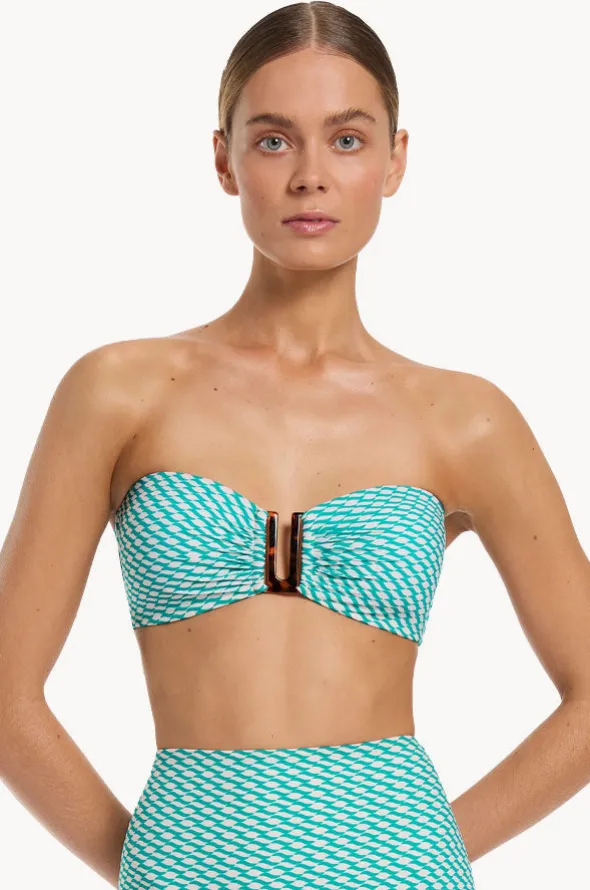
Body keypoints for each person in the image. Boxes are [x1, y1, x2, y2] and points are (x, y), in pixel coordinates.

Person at [2, 2, 590, 888]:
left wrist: (423, 846)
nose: (311, 176)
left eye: (347, 140)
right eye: (274, 140)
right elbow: (5, 695)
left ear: (395, 161)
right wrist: (152, 864)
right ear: (224, 159)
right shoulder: (117, 391)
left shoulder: (466, 419)